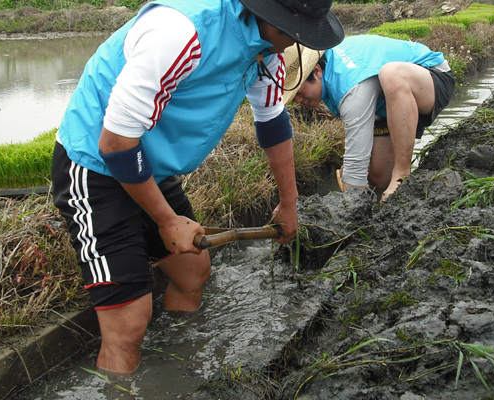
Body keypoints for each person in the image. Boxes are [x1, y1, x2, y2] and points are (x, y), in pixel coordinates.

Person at [51, 0, 344, 375]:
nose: (290, 45)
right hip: (95, 164)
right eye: (290, 31)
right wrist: (165, 219)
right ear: (265, 13)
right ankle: (121, 371)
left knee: (193, 272)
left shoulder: (265, 50)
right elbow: (115, 142)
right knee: (130, 321)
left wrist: (289, 203)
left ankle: (177, 366)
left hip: (149, 166)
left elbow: (272, 122)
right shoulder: (180, 33)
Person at [283, 34, 455, 201]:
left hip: (430, 76)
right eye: (293, 97)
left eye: (299, 92)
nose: (298, 101)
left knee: (391, 74)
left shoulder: (351, 89)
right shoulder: (330, 74)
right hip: (386, 103)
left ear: (316, 71)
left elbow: (356, 165)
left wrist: (349, 205)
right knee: (378, 177)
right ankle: (387, 183)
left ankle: (402, 174)